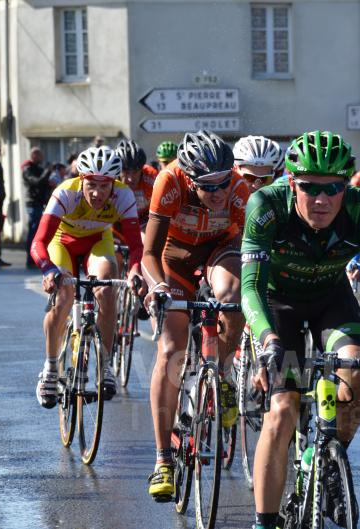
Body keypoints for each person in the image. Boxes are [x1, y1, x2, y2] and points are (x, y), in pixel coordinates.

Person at [241, 130, 360, 529]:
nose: (321, 200)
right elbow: (250, 287)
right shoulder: (266, 205)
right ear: (292, 183)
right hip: (277, 302)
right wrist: (268, 340)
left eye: (333, 188)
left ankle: (324, 456)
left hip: (330, 296)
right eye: (309, 188)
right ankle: (263, 523)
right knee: (282, 409)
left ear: (348, 185)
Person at [143, 130, 249, 501]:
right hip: (175, 261)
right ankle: (162, 460)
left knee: (233, 297)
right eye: (208, 187)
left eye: (223, 182)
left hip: (220, 250)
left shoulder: (237, 188)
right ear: (189, 179)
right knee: (171, 350)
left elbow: (253, 250)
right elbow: (149, 254)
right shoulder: (168, 181)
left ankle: (219, 373)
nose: (219, 193)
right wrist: (157, 288)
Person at [30, 146, 144, 408]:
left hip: (97, 243)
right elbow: (38, 242)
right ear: (81, 180)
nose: (97, 193)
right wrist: (48, 270)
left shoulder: (124, 196)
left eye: (105, 187)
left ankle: (105, 366)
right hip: (62, 243)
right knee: (64, 297)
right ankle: (49, 369)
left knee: (105, 289)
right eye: (91, 185)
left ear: (114, 183)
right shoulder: (65, 193)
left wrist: (135, 268)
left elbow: (136, 246)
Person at [115, 140, 158, 232]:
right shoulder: (110, 179)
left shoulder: (151, 176)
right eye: (125, 172)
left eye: (135, 172)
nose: (130, 178)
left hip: (143, 220)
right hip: (116, 221)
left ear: (142, 170)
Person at [22, 148, 51, 268]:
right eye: (40, 155)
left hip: (39, 202)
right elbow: (37, 182)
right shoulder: (28, 169)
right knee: (33, 231)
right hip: (33, 203)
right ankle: (30, 259)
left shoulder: (38, 168)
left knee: (37, 231)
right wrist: (47, 172)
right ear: (34, 155)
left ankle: (35, 258)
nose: (42, 158)